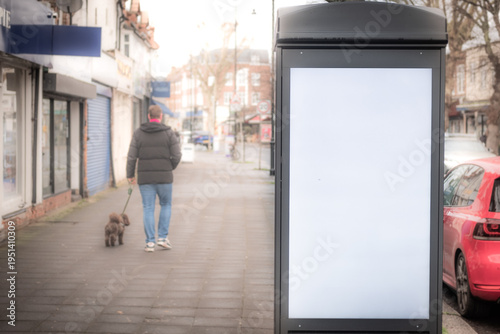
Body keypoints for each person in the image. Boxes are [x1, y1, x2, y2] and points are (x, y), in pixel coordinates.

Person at [127, 105, 182, 252]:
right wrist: (169, 167)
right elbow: (177, 155)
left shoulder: (138, 133)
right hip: (164, 177)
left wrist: (130, 175)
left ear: (148, 116)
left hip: (145, 178)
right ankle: (163, 238)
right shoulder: (169, 133)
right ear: (161, 116)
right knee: (166, 205)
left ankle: (150, 242)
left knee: (148, 208)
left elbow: (132, 156)